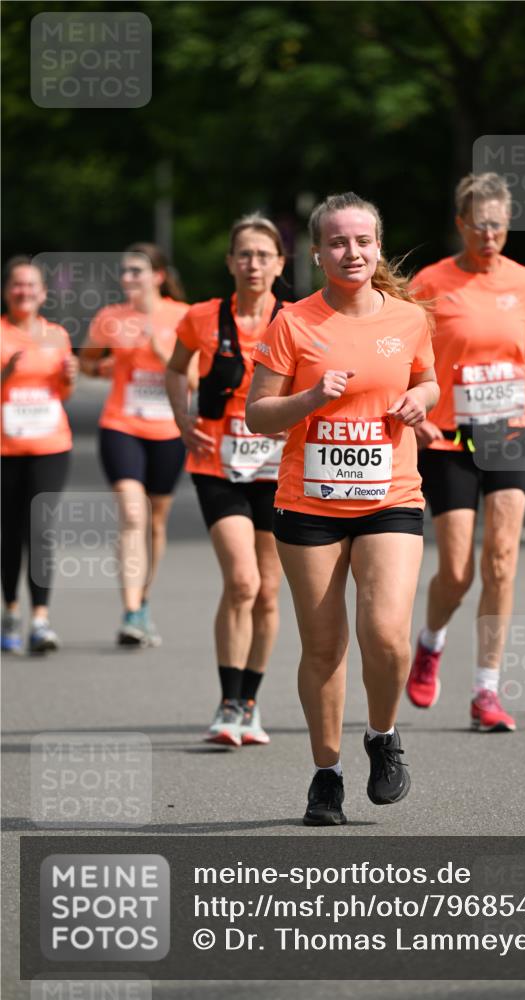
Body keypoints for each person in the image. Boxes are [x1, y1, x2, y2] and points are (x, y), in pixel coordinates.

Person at [246, 192, 438, 826]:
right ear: (317, 252)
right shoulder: (293, 322)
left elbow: (428, 379)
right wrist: (307, 400)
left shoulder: (408, 318)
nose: (350, 252)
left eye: (361, 241)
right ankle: (325, 775)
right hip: (309, 504)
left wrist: (422, 402)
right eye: (336, 242)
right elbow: (257, 414)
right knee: (324, 647)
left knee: (384, 633)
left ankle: (382, 736)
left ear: (377, 245)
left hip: (390, 496)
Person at [406, 172, 525, 732]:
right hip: (449, 438)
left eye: (498, 224)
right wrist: (417, 418)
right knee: (456, 572)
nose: (489, 234)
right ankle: (430, 642)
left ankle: (485, 692)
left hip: (511, 430)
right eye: (479, 224)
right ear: (460, 224)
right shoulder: (430, 283)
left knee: (501, 561)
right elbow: (407, 360)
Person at [166, 214, 286, 748]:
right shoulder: (202, 317)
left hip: (280, 470)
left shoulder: (297, 319)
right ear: (230, 262)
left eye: (264, 254)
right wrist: (181, 416)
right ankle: (227, 701)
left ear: (280, 263)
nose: (254, 263)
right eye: (245, 253)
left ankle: (252, 703)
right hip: (219, 464)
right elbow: (175, 368)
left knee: (269, 591)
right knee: (242, 582)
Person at [79, 243, 190, 647]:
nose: (128, 278)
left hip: (168, 430)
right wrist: (99, 367)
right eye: (125, 272)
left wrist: (162, 354)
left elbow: (194, 379)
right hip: (121, 424)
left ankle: (142, 602)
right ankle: (129, 612)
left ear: (157, 276)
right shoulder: (110, 318)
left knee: (155, 522)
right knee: (131, 513)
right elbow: (88, 361)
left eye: (136, 272)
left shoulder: (181, 316)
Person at [1, 256, 79, 654]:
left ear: (43, 293)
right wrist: (5, 375)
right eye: (17, 285)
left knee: (41, 530)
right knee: (10, 532)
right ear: (6, 290)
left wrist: (70, 377)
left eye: (31, 285)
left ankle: (41, 619)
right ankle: (11, 611)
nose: (24, 292)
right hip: (6, 448)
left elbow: (63, 393)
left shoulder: (56, 335)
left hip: (50, 445)